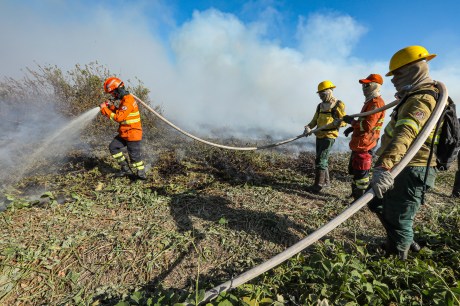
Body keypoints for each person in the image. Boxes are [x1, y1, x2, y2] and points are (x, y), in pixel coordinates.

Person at [369, 45, 441, 260]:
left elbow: (405, 134)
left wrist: (384, 166)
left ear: (414, 69)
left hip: (412, 168)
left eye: (397, 74)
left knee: (399, 217)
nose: (393, 80)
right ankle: (404, 242)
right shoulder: (414, 95)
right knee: (379, 204)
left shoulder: (420, 99)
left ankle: (398, 260)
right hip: (404, 166)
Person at [342, 74, 386, 200]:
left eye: (367, 85)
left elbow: (368, 126)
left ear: (374, 86)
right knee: (355, 170)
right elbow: (365, 121)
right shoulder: (370, 102)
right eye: (363, 85)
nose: (364, 88)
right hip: (361, 142)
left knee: (361, 174)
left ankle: (358, 201)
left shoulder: (375, 103)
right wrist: (353, 127)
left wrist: (351, 122)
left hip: (366, 144)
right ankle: (355, 194)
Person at [100, 77, 147, 180]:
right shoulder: (125, 100)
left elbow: (119, 117)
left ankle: (141, 176)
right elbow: (121, 113)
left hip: (133, 134)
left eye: (113, 93)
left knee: (135, 158)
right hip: (125, 133)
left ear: (118, 90)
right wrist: (111, 107)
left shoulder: (128, 101)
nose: (113, 95)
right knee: (113, 147)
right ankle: (126, 169)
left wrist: (104, 109)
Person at [304, 80, 347, 193]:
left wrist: (339, 123)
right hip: (319, 135)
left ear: (329, 92)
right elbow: (314, 121)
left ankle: (318, 186)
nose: (321, 97)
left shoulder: (338, 104)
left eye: (322, 95)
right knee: (322, 158)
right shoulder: (320, 106)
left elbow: (344, 121)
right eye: (319, 95)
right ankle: (326, 182)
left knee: (320, 160)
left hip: (329, 136)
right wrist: (308, 127)